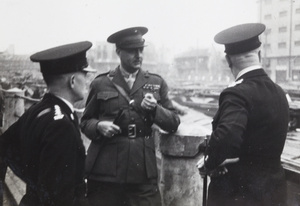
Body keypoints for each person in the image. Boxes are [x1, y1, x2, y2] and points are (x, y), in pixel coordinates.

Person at [81, 26, 180, 206]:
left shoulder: (156, 83)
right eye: (132, 51)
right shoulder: (100, 83)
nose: (138, 55)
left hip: (142, 172)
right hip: (106, 171)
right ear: (118, 51)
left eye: (141, 50)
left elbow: (174, 122)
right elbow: (85, 122)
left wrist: (155, 109)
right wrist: (98, 126)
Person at [197, 23, 289, 206]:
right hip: (274, 192)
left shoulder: (237, 93)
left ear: (229, 60)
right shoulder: (280, 92)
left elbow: (227, 136)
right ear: (259, 55)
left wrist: (209, 162)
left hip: (239, 194)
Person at [0, 41, 96, 206]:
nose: (87, 80)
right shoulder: (61, 126)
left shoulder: (37, 109)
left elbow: (5, 148)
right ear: (72, 81)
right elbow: (59, 197)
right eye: (84, 74)